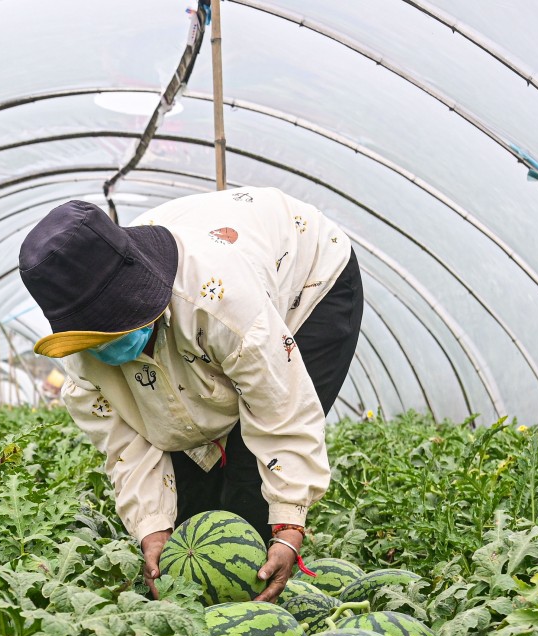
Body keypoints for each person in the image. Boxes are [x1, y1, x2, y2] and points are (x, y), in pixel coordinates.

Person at [19, 187, 364, 602]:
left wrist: (289, 524)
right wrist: (154, 527)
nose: (109, 342)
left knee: (248, 492)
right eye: (98, 333)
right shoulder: (83, 370)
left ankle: (251, 603)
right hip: (222, 283)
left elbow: (279, 408)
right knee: (190, 521)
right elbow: (129, 446)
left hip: (308, 279)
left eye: (116, 324)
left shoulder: (222, 305)